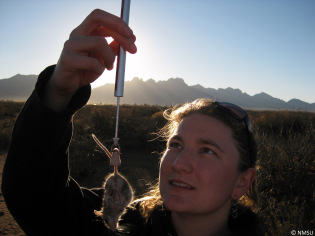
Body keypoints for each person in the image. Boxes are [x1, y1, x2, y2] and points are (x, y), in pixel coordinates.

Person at [1, 9, 263, 236]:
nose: (179, 163)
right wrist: (57, 92)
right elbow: (33, 196)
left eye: (207, 150)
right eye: (176, 145)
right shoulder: (116, 223)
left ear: (242, 181)